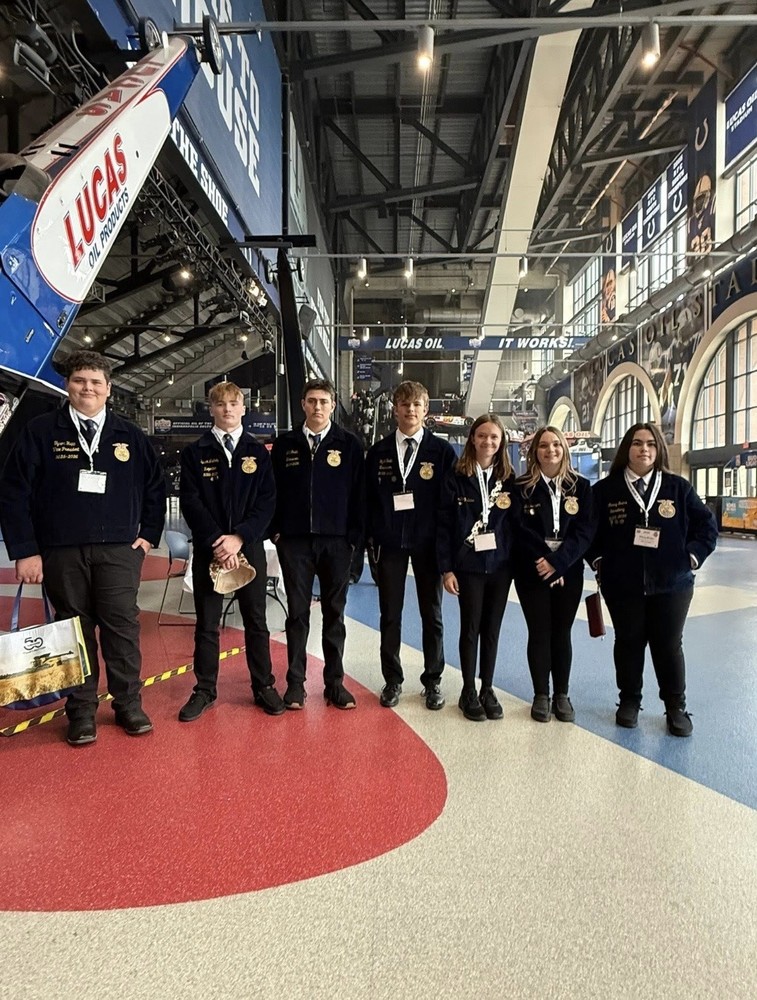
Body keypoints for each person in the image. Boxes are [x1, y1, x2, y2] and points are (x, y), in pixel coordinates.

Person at [0, 350, 165, 746]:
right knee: (74, 630)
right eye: (79, 381)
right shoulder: (42, 432)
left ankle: (127, 704)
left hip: (118, 551)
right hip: (61, 551)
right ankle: (81, 711)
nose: (87, 388)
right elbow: (13, 491)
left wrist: (148, 535)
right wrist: (26, 550)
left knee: (122, 628)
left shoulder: (129, 435)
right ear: (68, 386)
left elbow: (155, 487)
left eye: (95, 382)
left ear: (108, 390)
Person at [587, 422, 717, 736]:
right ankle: (629, 701)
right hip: (622, 584)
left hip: (672, 584)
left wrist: (691, 557)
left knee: (669, 645)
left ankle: (676, 707)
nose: (643, 449)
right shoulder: (605, 490)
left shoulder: (677, 487)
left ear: (657, 450)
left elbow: (707, 527)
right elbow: (588, 534)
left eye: (650, 444)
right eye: (636, 443)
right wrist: (600, 562)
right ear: (626, 449)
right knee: (628, 642)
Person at [177, 381, 284, 722]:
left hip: (247, 548)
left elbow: (268, 503)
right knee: (207, 624)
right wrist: (217, 541)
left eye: (233, 403)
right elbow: (190, 502)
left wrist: (239, 537)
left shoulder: (257, 452)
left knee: (256, 621)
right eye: (220, 404)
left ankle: (263, 685)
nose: (227, 409)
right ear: (211, 409)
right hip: (210, 550)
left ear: (243, 408)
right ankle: (205, 689)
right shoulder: (195, 452)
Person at [270, 378, 365, 710]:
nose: (318, 407)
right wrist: (276, 531)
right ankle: (295, 684)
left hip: (337, 544)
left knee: (334, 615)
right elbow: (272, 491)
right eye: (312, 401)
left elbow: (360, 495)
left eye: (324, 401)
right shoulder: (285, 445)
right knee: (297, 615)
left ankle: (334, 683)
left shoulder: (350, 445)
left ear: (333, 404)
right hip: (294, 543)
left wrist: (353, 538)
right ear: (303, 404)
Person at [366, 380, 456, 710]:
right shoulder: (378, 452)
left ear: (425, 410)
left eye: (416, 404)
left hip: (428, 545)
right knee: (390, 614)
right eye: (404, 404)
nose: (410, 410)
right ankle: (392, 680)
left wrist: (447, 550)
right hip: (390, 545)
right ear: (395, 410)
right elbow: (369, 501)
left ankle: (432, 681)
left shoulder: (442, 452)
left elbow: (449, 505)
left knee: (432, 615)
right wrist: (372, 539)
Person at [437, 414, 518, 722]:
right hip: (467, 566)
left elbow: (516, 525)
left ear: (501, 442)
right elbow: (443, 527)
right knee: (470, 629)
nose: (488, 442)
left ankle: (487, 687)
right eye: (482, 436)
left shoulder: (509, 479)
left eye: (494, 437)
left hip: (500, 567)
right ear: (472, 439)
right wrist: (447, 569)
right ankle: (467, 690)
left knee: (492, 629)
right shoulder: (455, 477)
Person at [513, 427, 595, 723]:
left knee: (561, 632)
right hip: (532, 570)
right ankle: (540, 695)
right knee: (539, 632)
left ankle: (561, 694)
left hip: (569, 571)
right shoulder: (521, 486)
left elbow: (585, 531)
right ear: (535, 451)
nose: (551, 451)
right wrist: (544, 561)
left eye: (556, 445)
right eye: (544, 446)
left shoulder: (581, 487)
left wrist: (559, 563)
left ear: (565, 449)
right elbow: (519, 529)